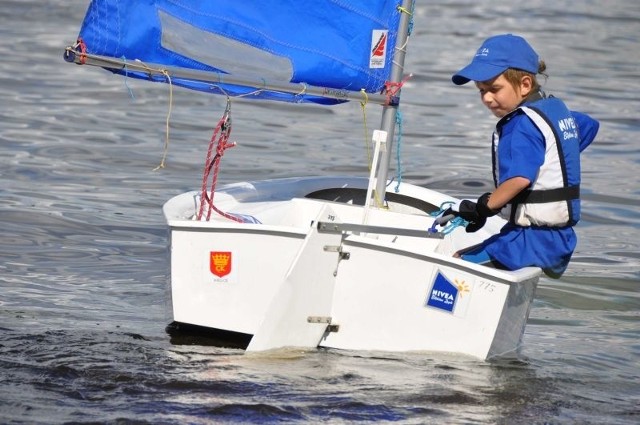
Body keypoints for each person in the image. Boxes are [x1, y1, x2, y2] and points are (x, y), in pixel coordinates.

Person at [445, 33, 599, 277]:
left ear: (525, 84)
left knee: (456, 267)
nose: (486, 98)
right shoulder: (554, 112)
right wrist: (554, 155)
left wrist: (482, 209)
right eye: (481, 90)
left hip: (532, 240)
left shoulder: (519, 126)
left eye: (494, 89)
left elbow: (519, 179)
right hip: (557, 238)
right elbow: (589, 126)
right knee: (468, 255)